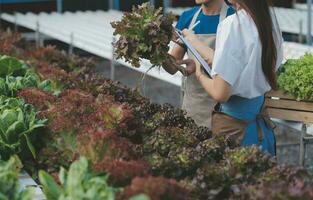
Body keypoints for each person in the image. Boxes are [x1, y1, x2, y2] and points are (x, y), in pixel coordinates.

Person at [179, 0, 283, 156]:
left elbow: (220, 93)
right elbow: (239, 64)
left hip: (234, 129)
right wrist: (193, 41)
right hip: (259, 124)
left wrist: (199, 72)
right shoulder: (268, 19)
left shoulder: (233, 24)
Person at [162, 0, 234, 128]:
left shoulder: (234, 19)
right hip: (193, 106)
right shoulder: (188, 17)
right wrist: (158, 52)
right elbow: (173, 67)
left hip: (224, 108)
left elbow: (233, 66)